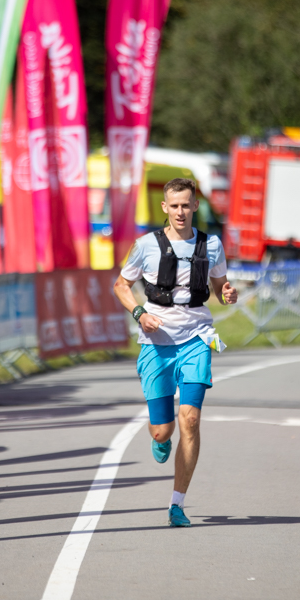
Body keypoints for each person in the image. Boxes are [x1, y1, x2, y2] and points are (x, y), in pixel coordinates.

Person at [113, 178, 237, 528]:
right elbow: (121, 285)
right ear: (165, 207)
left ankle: (177, 505)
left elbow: (219, 287)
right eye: (175, 206)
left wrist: (228, 293)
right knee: (162, 431)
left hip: (197, 338)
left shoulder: (212, 244)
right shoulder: (144, 246)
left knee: (191, 420)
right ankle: (160, 437)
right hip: (157, 342)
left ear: (195, 206)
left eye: (186, 205)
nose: (181, 212)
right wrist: (140, 313)